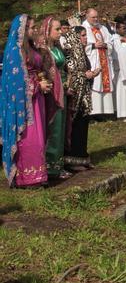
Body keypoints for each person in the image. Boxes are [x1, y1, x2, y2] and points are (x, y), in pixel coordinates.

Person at [0, 15, 55, 188]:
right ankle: (26, 177)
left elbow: (37, 70)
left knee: (39, 137)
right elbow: (14, 81)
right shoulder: (15, 51)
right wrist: (37, 85)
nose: (35, 30)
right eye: (31, 28)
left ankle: (39, 175)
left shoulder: (31, 48)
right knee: (28, 138)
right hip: (24, 103)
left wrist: (43, 81)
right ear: (23, 31)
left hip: (37, 99)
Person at [37, 17, 70, 179]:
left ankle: (58, 164)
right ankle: (49, 165)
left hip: (62, 90)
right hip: (50, 93)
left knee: (61, 127)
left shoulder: (57, 48)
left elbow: (63, 67)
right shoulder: (42, 50)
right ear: (47, 30)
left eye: (59, 29)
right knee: (53, 128)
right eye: (56, 29)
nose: (59, 32)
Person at [61, 25, 93, 170]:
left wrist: (89, 74)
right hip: (74, 96)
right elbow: (71, 73)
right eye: (83, 35)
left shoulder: (82, 53)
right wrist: (84, 75)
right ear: (75, 37)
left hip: (84, 95)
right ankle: (72, 159)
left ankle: (82, 157)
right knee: (74, 126)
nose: (86, 38)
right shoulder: (70, 54)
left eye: (86, 35)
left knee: (83, 125)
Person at [82, 8, 115, 117]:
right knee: (95, 85)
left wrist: (105, 45)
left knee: (105, 83)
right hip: (92, 60)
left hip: (104, 60)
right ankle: (94, 113)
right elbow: (79, 45)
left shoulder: (103, 28)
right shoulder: (83, 28)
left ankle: (106, 112)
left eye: (97, 17)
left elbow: (111, 43)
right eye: (93, 17)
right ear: (87, 16)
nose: (96, 19)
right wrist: (93, 45)